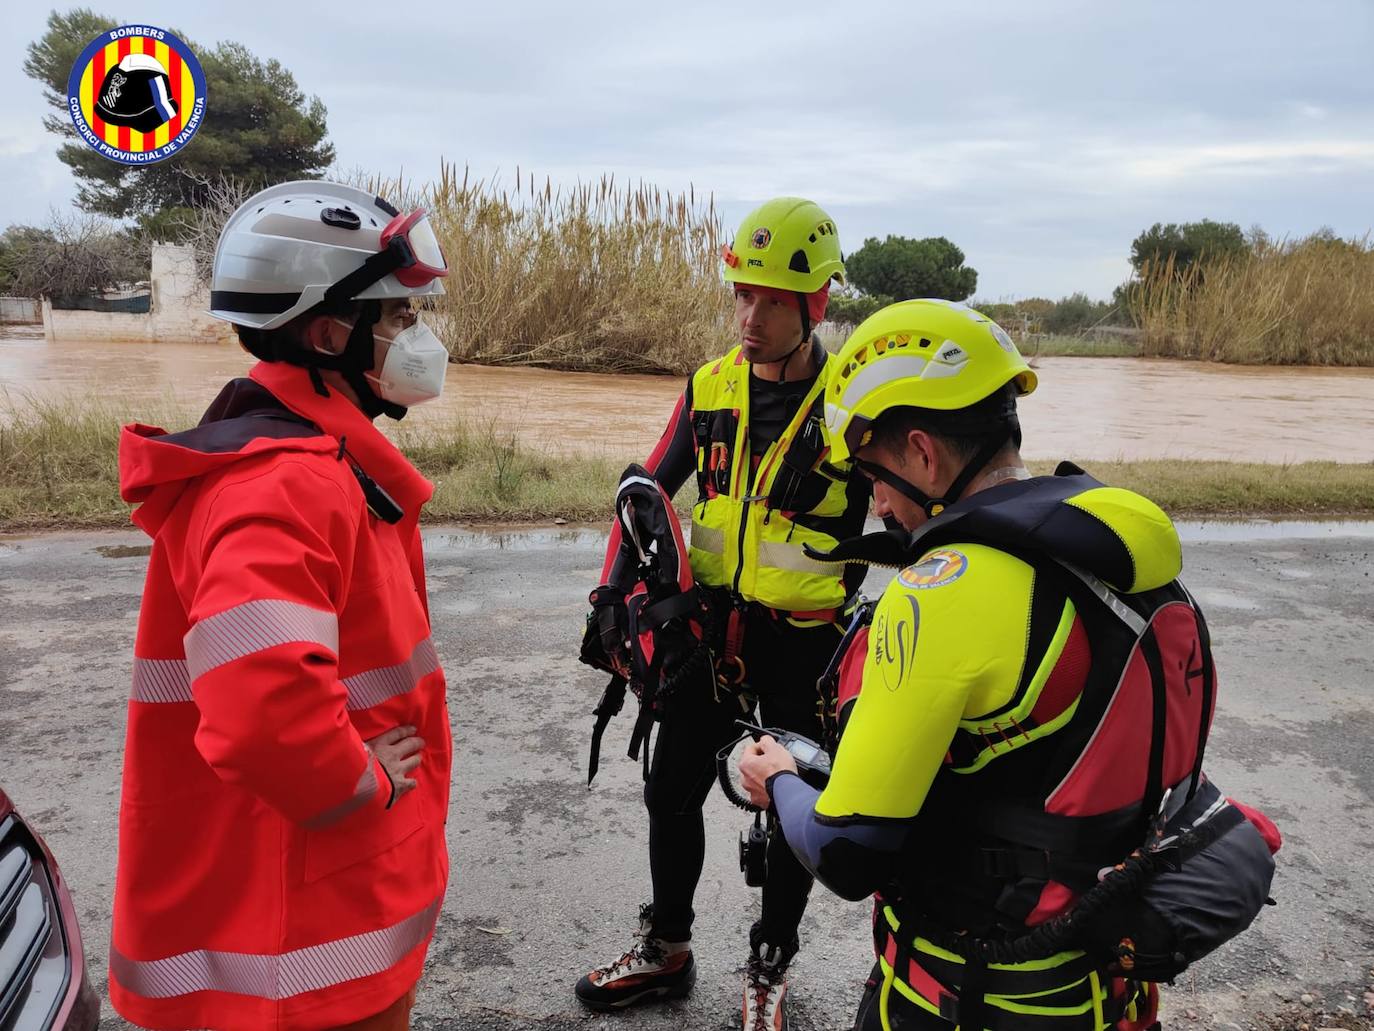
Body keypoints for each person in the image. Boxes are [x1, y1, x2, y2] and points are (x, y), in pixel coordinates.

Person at [739, 299, 1278, 1030]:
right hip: (1101, 983)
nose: (876, 504)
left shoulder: (943, 592)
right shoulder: (1113, 549)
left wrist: (779, 783)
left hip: (969, 994)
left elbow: (847, 850)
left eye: (872, 474)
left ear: (923, 452)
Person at [110, 181, 454, 1031]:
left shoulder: (309, 457)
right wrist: (361, 781)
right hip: (309, 940)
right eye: (397, 317)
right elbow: (264, 709)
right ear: (332, 332)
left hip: (310, 897)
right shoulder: (287, 483)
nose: (416, 338)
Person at [574, 197, 872, 1030]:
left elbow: (919, 506)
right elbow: (642, 492)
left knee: (788, 808)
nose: (750, 315)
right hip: (706, 638)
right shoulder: (709, 384)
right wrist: (608, 598)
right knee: (669, 789)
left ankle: (770, 967)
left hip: (803, 649)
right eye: (742, 292)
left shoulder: (853, 404)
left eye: (772, 299)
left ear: (814, 303)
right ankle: (668, 949)